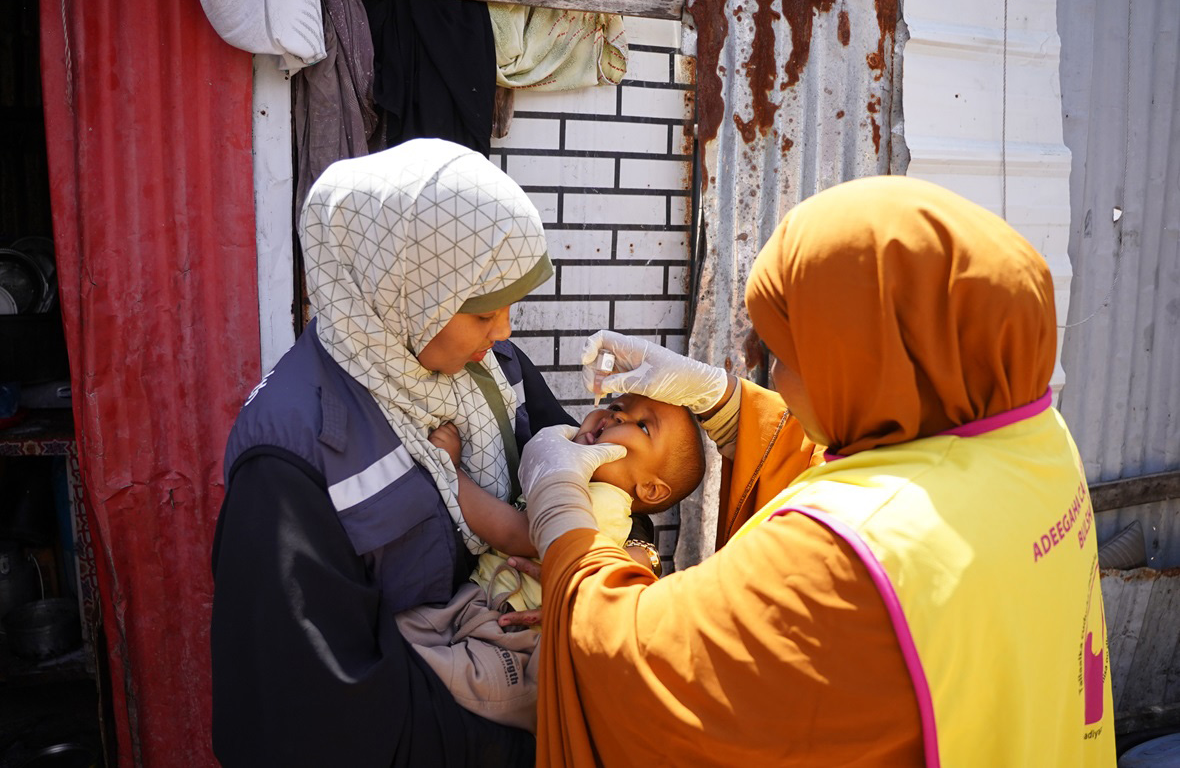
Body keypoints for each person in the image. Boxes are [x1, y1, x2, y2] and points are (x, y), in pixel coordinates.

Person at [518, 176, 1117, 766]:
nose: (772, 378)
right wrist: (723, 401)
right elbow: (881, 464)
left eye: (783, 354)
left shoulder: (847, 557)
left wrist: (563, 510)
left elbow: (626, 661)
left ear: (865, 364)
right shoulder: (1034, 439)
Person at [212, 138, 587, 766]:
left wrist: (601, 560)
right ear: (403, 289)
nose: (505, 331)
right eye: (484, 311)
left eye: (508, 307)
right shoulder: (290, 460)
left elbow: (595, 483)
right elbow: (314, 714)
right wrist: (524, 740)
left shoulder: (495, 371)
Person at [394, 394, 706, 732]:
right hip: (480, 604)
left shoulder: (602, 501)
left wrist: (453, 472)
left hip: (519, 640)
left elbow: (516, 534)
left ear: (650, 488)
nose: (617, 417)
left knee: (436, 679)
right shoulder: (577, 475)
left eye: (643, 426)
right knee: (401, 632)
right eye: (618, 407)